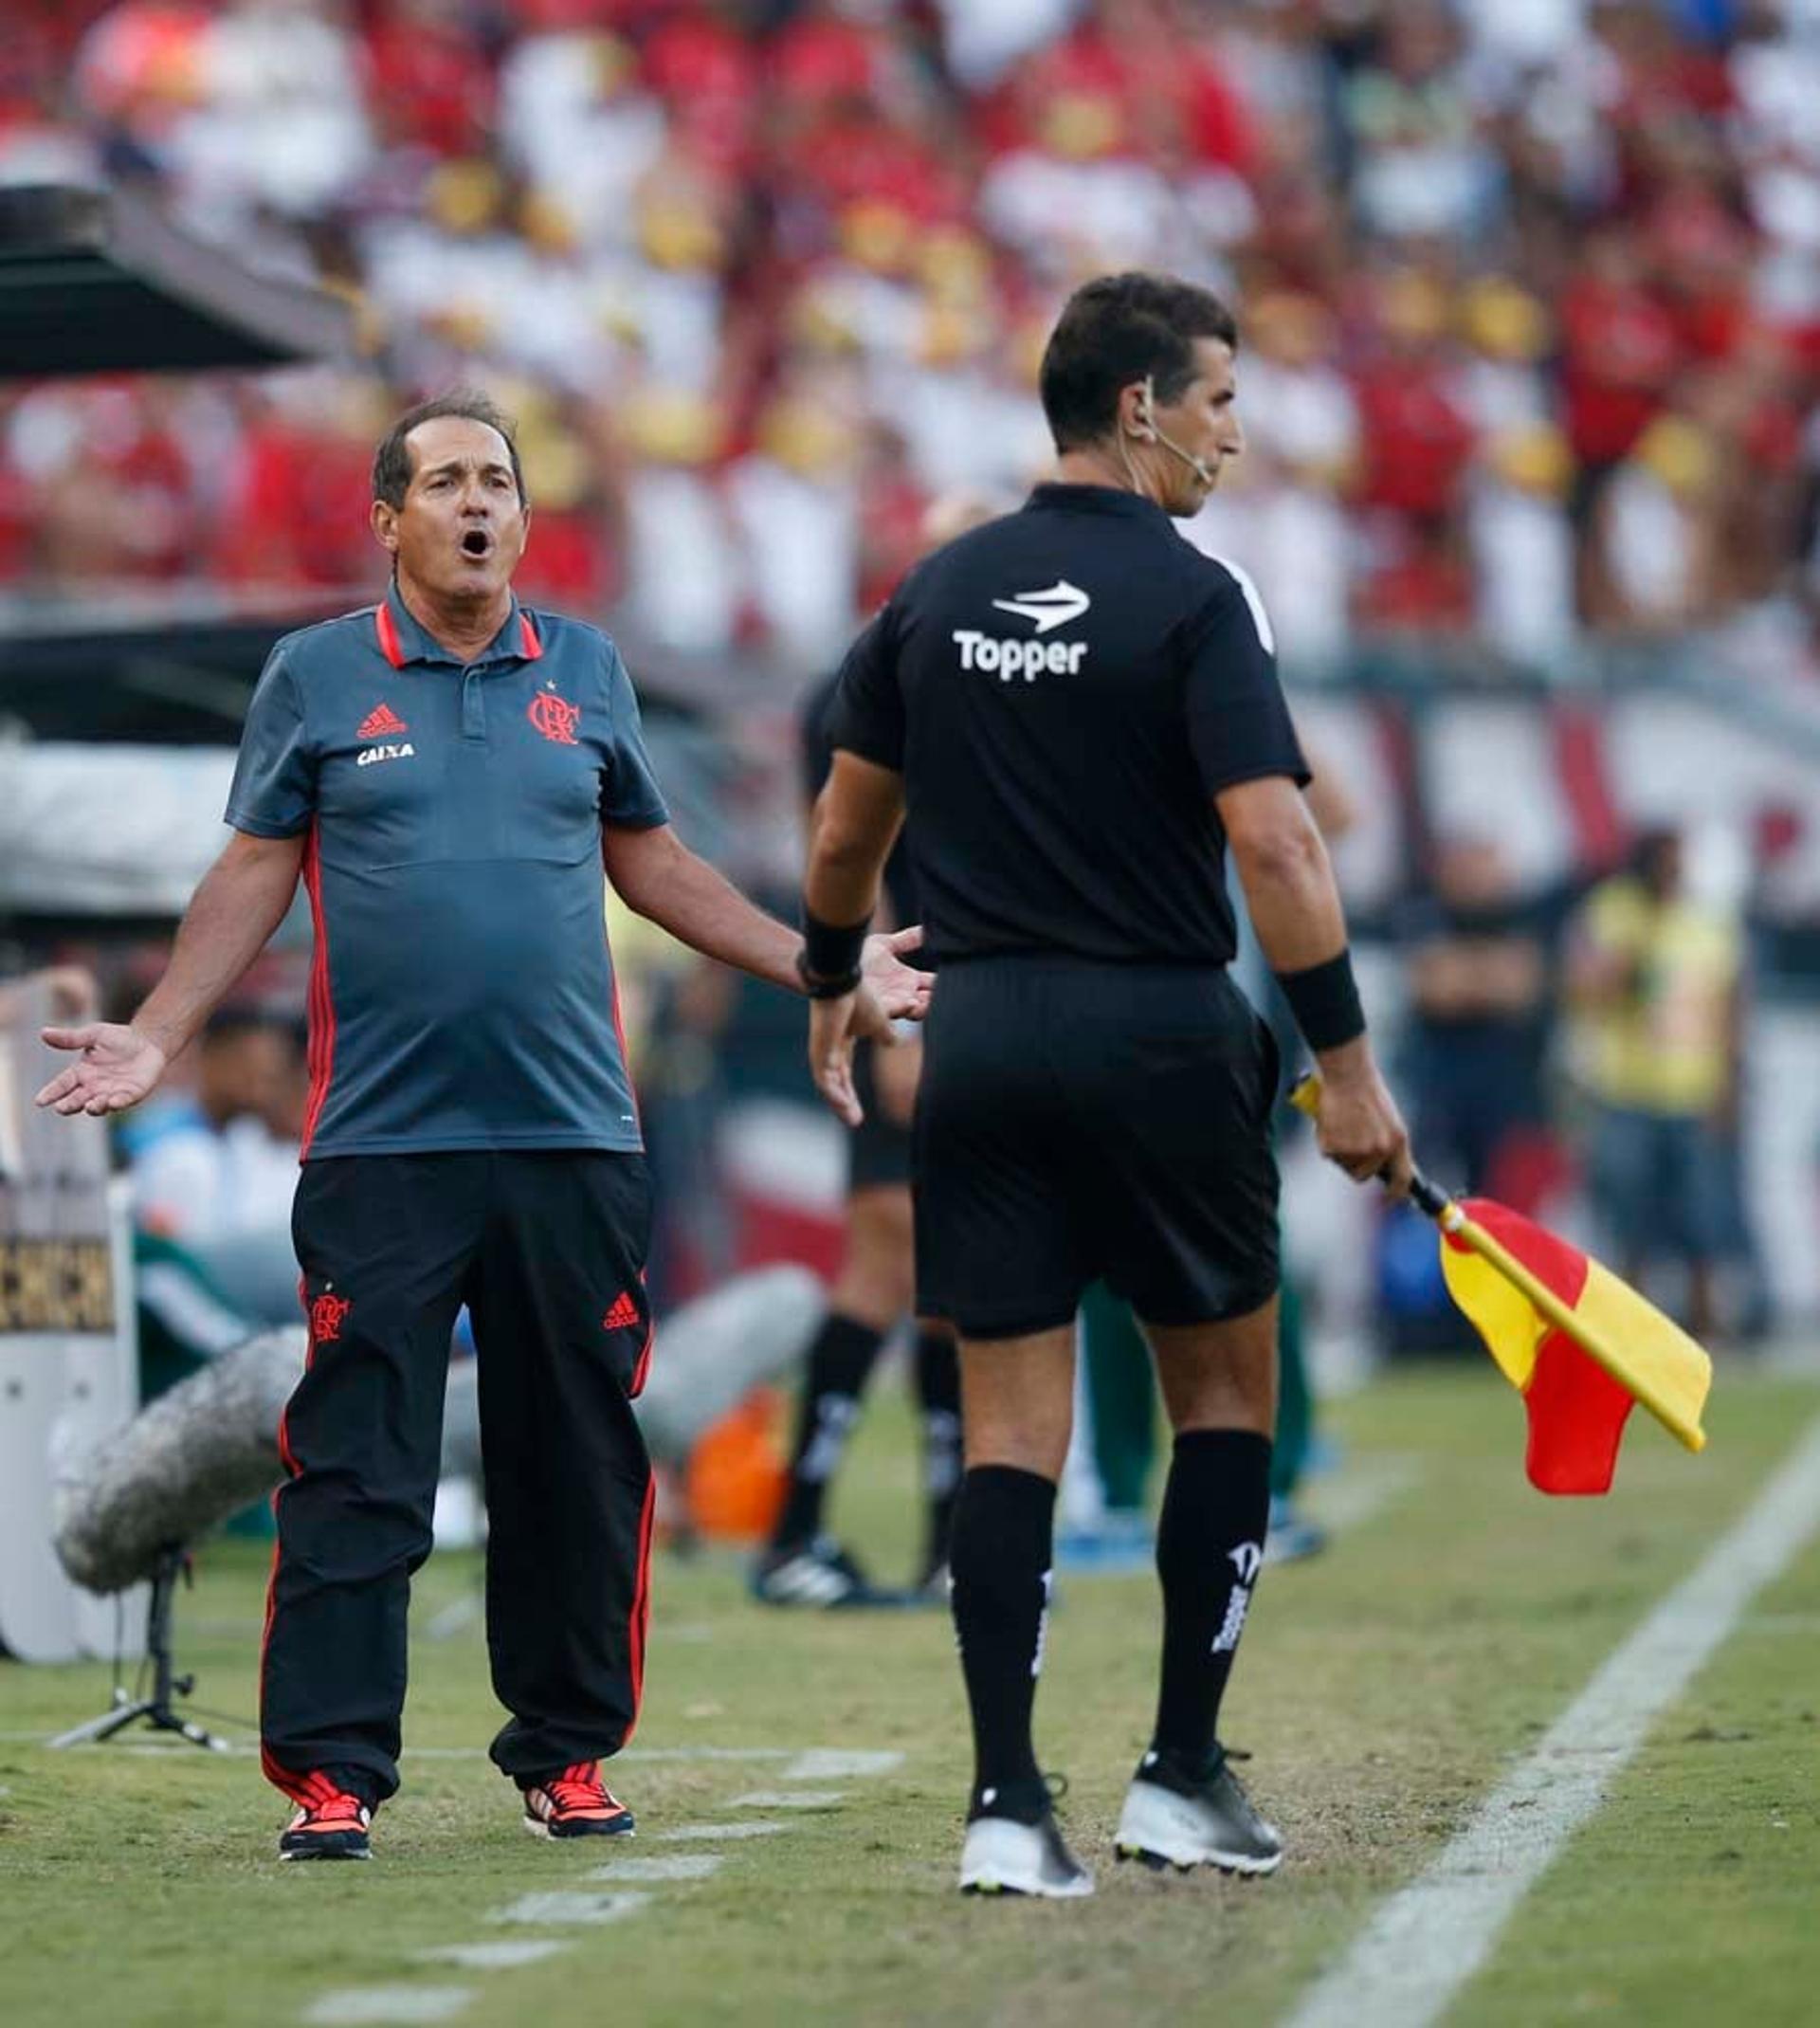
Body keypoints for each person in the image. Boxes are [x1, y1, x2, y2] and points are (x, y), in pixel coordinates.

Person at [36, 392, 930, 1864]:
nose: (476, 504)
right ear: (388, 518)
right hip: (382, 1146)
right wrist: (160, 1032)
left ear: (521, 516)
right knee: (357, 1456)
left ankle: (566, 1754)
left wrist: (826, 961)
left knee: (579, 1452)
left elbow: (656, 862)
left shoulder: (584, 666)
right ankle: (334, 1772)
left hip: (576, 1138)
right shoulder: (316, 676)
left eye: (497, 482)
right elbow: (254, 870)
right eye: (445, 481)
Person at [797, 273, 1410, 1897]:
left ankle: (1007, 1797)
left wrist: (829, 977)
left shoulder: (933, 588)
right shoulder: (1203, 594)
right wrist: (1345, 1066)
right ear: (1136, 407)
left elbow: (846, 833)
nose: (1235, 432)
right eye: (1218, 399)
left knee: (1013, 1431)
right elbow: (1276, 839)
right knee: (1226, 1399)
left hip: (979, 1048)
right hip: (1160, 1032)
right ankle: (1179, 1770)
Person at [753, 498, 998, 1611]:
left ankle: (948, 1545)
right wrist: (891, 1014)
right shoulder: (870, 681)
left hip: (975, 994)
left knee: (946, 1273)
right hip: (908, 992)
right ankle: (795, 1531)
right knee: (887, 1253)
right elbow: (853, 842)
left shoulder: (980, 672)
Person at [1565, 825, 1743, 1342]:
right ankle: (1633, 1337)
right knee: (1630, 1221)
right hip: (1627, 1092)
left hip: (1694, 1090)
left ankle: (1707, 1334)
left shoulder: (1708, 919)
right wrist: (1633, 957)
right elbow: (1587, 988)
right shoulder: (1612, 913)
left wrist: (1730, 1081)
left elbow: (1728, 1002)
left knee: (1703, 1222)